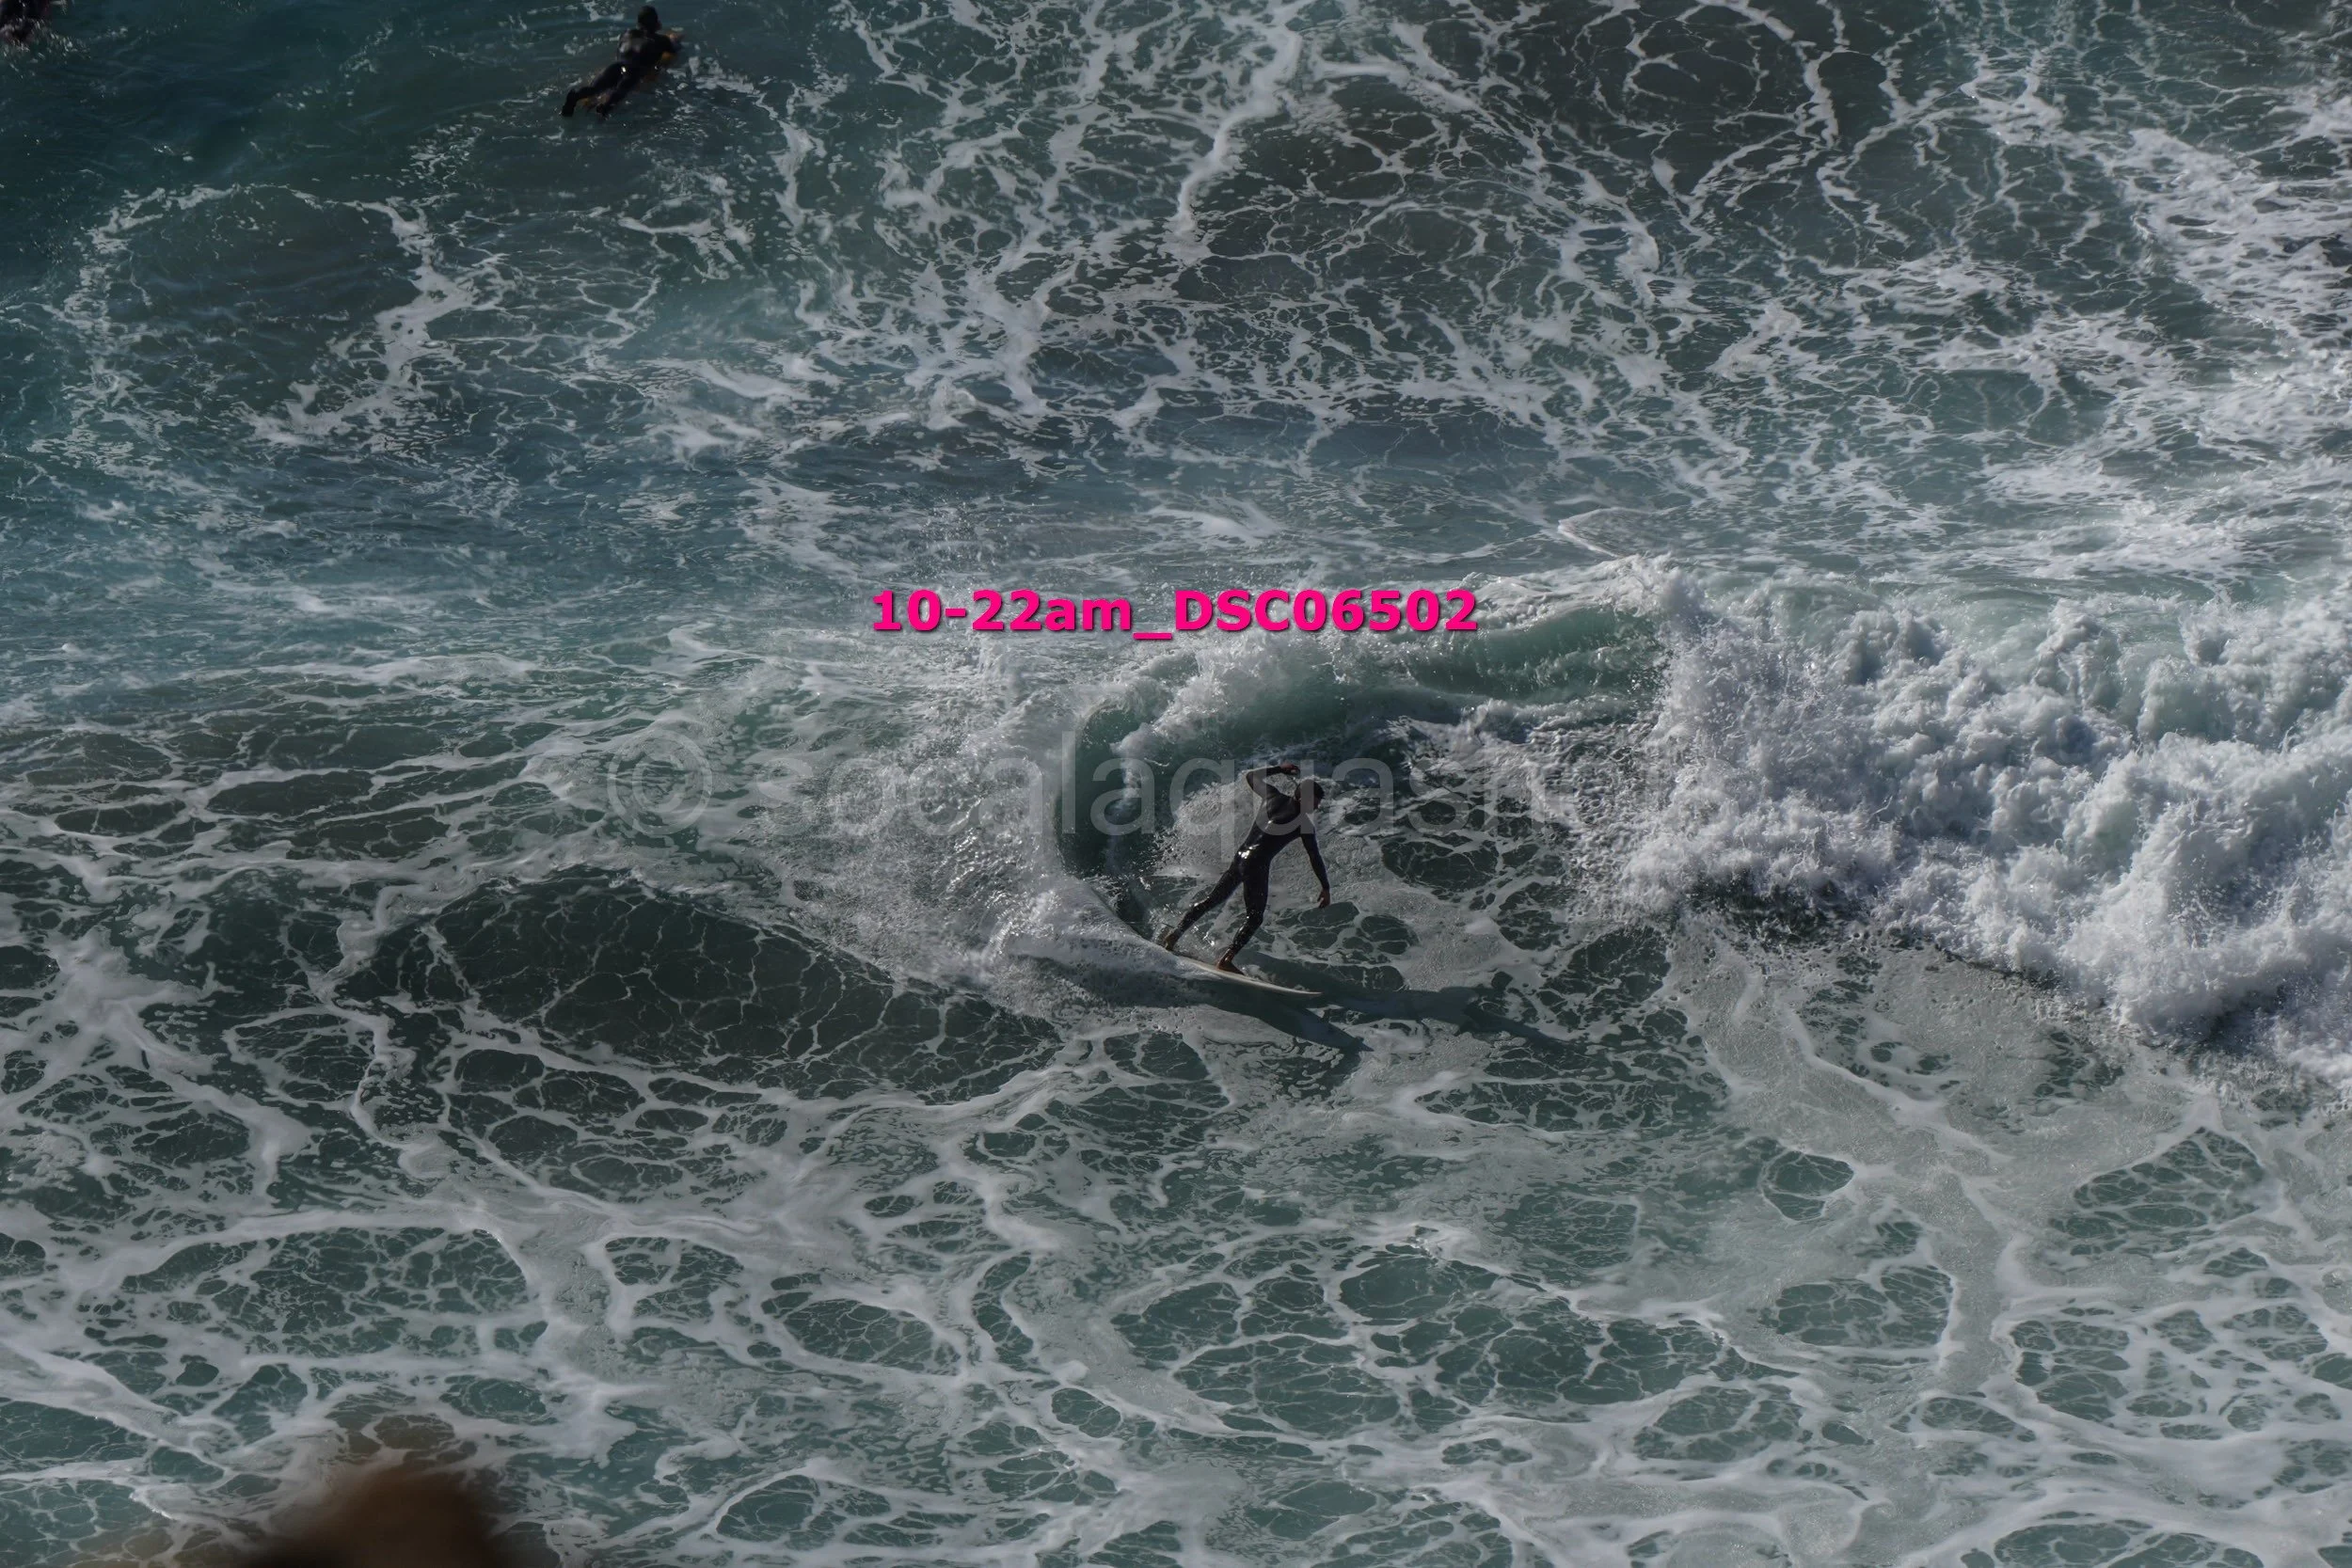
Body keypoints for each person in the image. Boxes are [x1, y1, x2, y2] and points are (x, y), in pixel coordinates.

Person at [1161, 763, 1330, 972]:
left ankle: (1174, 935)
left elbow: (1252, 776)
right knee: (1255, 917)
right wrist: (1325, 887)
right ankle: (1226, 960)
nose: (1317, 806)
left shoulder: (1272, 796)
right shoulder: (1304, 824)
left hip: (1240, 858)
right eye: (1315, 801)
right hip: (1257, 865)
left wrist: (1279, 768)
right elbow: (1314, 856)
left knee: (1211, 900)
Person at [561, 6, 680, 119]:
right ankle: (604, 108)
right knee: (618, 94)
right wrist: (671, 39)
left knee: (594, 88)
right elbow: (674, 49)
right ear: (656, 24)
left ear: (639, 23)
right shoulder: (661, 40)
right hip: (633, 71)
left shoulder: (627, 34)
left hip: (616, 66)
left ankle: (575, 95)